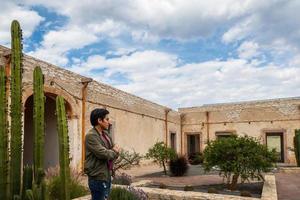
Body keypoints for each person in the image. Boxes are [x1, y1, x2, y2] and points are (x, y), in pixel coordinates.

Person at [84, 108, 120, 200]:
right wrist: (114, 151)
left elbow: (114, 149)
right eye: (107, 119)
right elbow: (104, 154)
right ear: (99, 120)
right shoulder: (91, 136)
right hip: (97, 177)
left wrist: (113, 152)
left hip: (107, 175)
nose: (109, 122)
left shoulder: (106, 134)